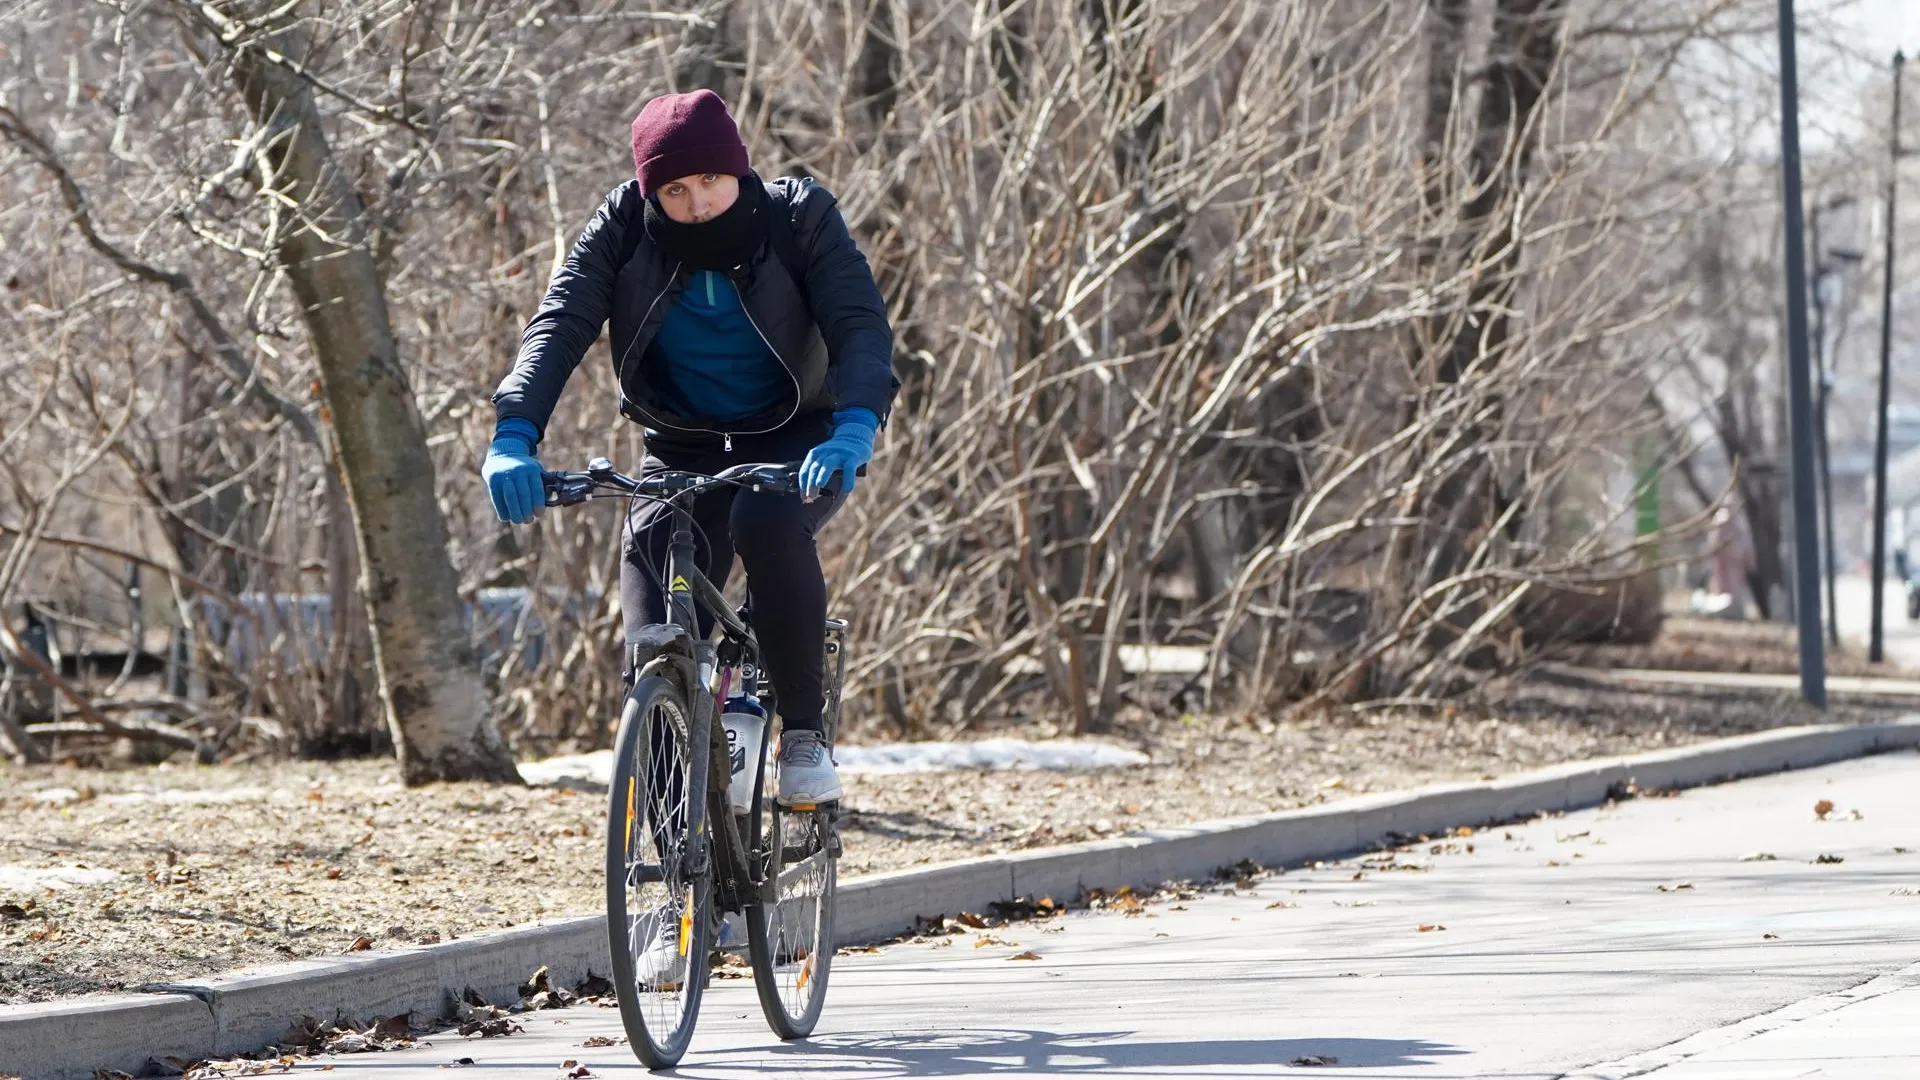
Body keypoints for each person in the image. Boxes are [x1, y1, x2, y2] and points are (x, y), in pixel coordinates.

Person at [483, 89, 897, 809]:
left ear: (738, 171)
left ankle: (800, 736)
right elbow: (561, 320)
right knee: (654, 606)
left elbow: (859, 324)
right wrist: (514, 433)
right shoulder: (621, 226)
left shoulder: (801, 216)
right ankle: (676, 827)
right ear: (652, 192)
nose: (698, 203)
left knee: (763, 525)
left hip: (799, 436)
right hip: (682, 443)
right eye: (676, 190)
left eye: (711, 181)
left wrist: (854, 427)